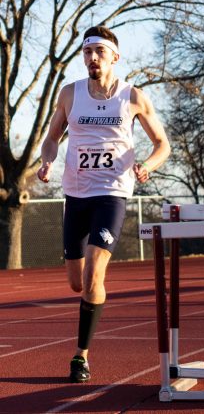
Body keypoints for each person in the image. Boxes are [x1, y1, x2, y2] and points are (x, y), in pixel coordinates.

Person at [37, 25, 170, 383]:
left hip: (112, 192)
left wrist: (147, 166)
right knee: (76, 284)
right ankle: (86, 302)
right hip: (75, 194)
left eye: (98, 51)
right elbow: (51, 139)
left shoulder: (133, 97)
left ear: (114, 56)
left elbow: (162, 144)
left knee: (95, 272)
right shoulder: (70, 94)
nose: (91, 58)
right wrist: (46, 160)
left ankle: (81, 355)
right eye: (86, 52)